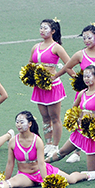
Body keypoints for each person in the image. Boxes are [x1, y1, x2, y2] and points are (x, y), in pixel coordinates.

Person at [0, 111, 95, 188]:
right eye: (17, 122)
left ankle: (87, 175)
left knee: (71, 180)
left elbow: (41, 163)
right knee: (11, 183)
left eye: (21, 122)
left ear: (30, 124)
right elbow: (10, 163)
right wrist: (5, 179)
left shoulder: (37, 141)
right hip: (25, 175)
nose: (18, 125)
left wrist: (46, 181)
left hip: (42, 172)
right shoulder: (13, 142)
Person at [46, 65, 95, 171]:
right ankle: (40, 164)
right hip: (79, 133)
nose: (86, 79)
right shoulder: (82, 93)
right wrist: (76, 120)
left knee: (92, 170)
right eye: (84, 76)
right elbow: (74, 109)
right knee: (62, 152)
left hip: (92, 135)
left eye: (89, 76)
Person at [28, 19, 73, 156]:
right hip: (39, 87)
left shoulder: (56, 47)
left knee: (54, 117)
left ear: (53, 31)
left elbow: (69, 63)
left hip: (52, 87)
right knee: (45, 117)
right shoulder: (35, 47)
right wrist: (30, 75)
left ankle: (55, 145)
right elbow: (30, 62)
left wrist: (57, 75)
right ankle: (48, 143)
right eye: (41, 27)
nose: (42, 30)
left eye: (45, 28)